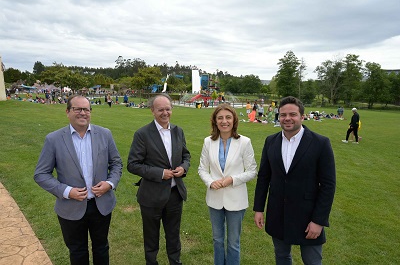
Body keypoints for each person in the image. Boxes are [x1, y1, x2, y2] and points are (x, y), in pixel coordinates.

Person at [34, 95, 123, 265]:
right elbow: (41, 174)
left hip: (101, 205)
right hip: (70, 208)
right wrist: (67, 191)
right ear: (68, 111)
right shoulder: (53, 139)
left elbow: (116, 163)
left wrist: (109, 184)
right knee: (77, 252)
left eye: (86, 109)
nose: (83, 113)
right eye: (77, 109)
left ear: (90, 112)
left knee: (101, 248)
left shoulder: (105, 134)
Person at [253, 96, 336, 265]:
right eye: (283, 115)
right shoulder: (271, 141)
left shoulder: (320, 143)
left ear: (302, 117)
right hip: (278, 213)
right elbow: (264, 177)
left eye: (293, 114)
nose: (287, 118)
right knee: (282, 257)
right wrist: (259, 209)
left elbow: (328, 185)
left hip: (308, 216)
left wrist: (318, 220)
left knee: (312, 261)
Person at [127, 94, 191, 265]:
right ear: (152, 111)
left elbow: (186, 155)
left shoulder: (178, 131)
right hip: (151, 196)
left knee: (173, 235)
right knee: (151, 237)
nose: (165, 112)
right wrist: (160, 173)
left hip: (174, 194)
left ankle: (175, 262)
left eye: (168, 109)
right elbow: (133, 164)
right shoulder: (142, 134)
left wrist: (183, 167)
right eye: (160, 109)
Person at [198, 104, 257, 265]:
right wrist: (210, 182)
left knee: (233, 243)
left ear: (234, 120)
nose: (224, 121)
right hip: (214, 199)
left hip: (236, 200)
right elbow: (202, 169)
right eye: (220, 118)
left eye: (228, 117)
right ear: (215, 122)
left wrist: (232, 179)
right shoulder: (208, 142)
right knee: (217, 240)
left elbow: (252, 170)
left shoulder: (244, 142)